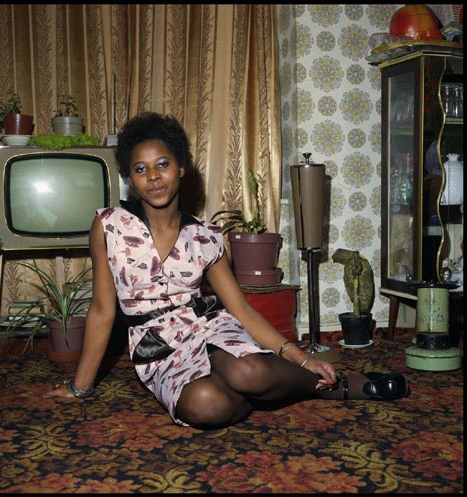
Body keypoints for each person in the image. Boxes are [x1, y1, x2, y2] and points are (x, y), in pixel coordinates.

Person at [46, 112, 409, 428]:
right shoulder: (109, 226)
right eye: (141, 169)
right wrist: (81, 386)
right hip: (157, 347)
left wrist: (302, 357)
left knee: (248, 371)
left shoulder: (207, 237)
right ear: (130, 176)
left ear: (182, 168)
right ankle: (271, 395)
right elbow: (101, 310)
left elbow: (241, 309)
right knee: (207, 404)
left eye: (163, 165)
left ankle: (341, 385)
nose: (154, 177)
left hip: (208, 327)